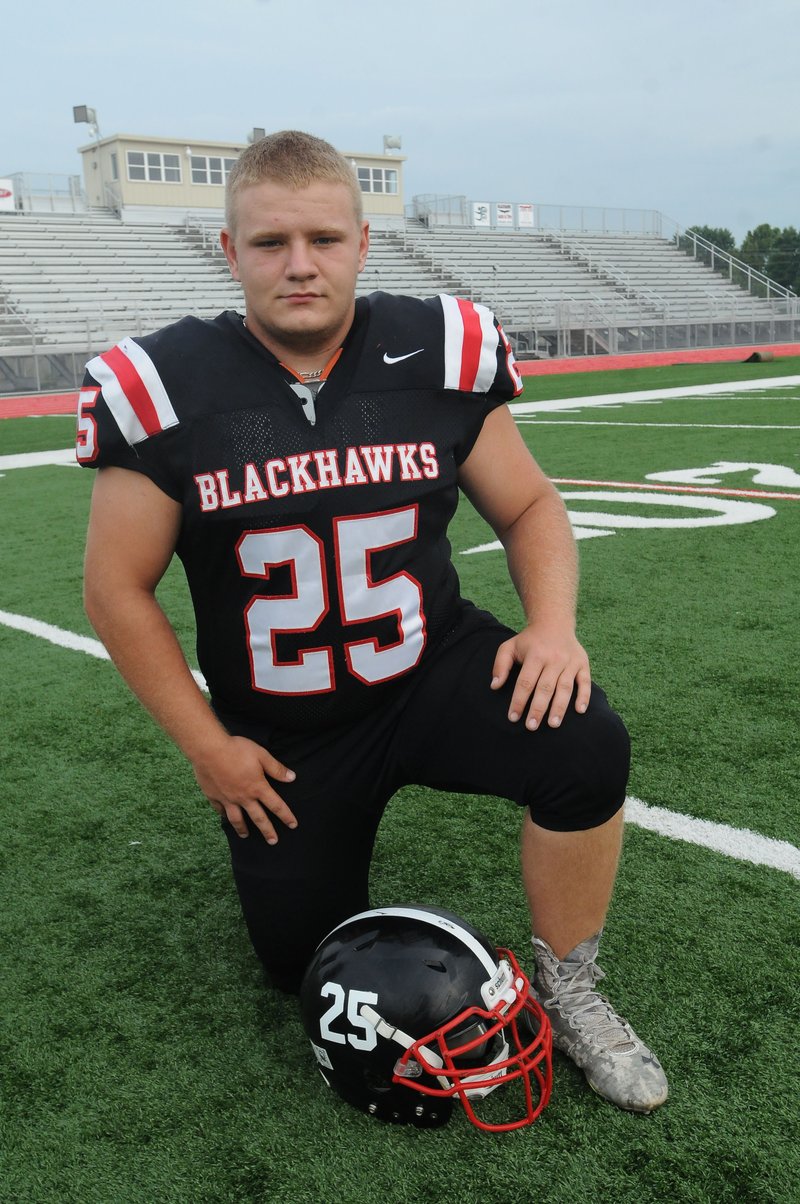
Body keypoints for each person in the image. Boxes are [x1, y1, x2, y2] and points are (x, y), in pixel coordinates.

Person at [78, 130, 667, 1115]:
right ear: (230, 253)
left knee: (584, 740)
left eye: (321, 237)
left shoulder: (436, 352)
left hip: (430, 669)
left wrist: (552, 625)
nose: (297, 264)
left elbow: (527, 506)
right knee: (298, 964)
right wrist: (208, 745)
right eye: (269, 242)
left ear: (361, 242)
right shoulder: (165, 387)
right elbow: (114, 587)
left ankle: (570, 987)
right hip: (286, 725)